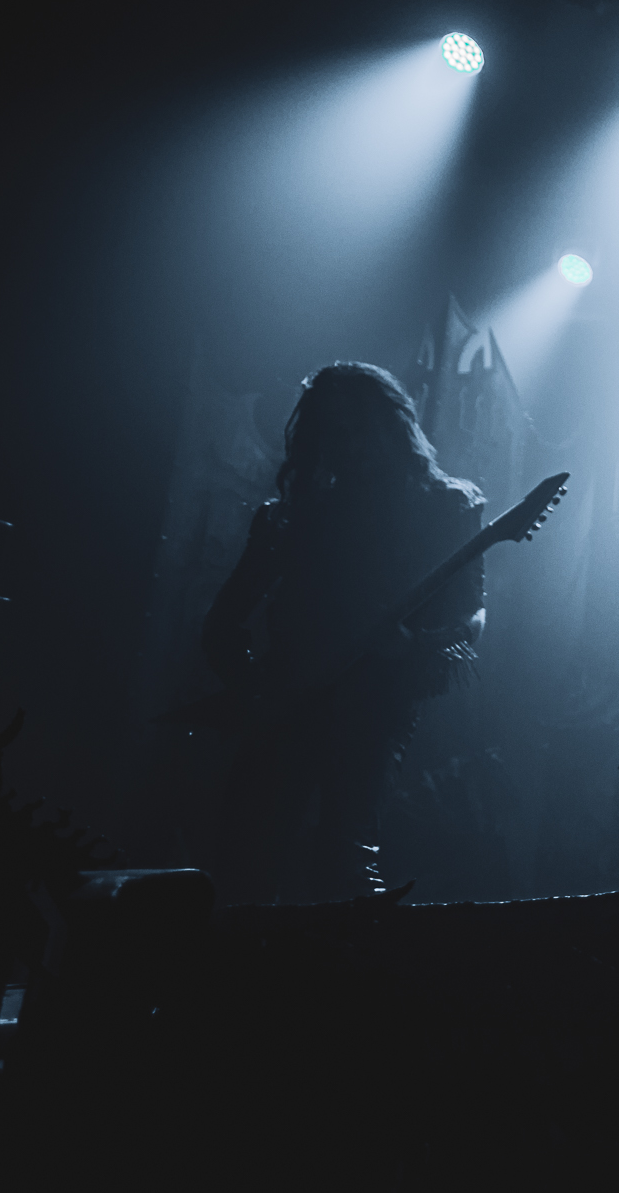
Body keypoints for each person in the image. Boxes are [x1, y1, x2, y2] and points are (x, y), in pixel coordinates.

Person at [203, 362, 484, 903]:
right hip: (286, 704)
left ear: (389, 427)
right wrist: (256, 691)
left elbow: (470, 617)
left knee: (344, 860)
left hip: (375, 709)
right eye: (330, 433)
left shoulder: (445, 507)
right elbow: (221, 624)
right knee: (245, 862)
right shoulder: (292, 517)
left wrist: (411, 647)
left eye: (355, 429)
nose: (347, 447)